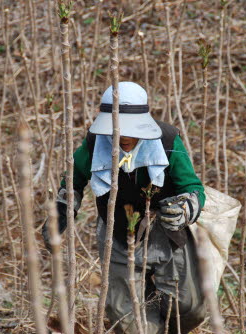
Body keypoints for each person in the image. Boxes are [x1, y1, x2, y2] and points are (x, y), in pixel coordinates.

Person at [43, 82, 206, 334]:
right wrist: (62, 212)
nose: (125, 137)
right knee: (128, 320)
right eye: (118, 131)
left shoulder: (167, 141)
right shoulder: (95, 144)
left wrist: (186, 208)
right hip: (117, 232)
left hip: (166, 233)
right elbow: (73, 179)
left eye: (131, 131)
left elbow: (192, 187)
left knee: (189, 307)